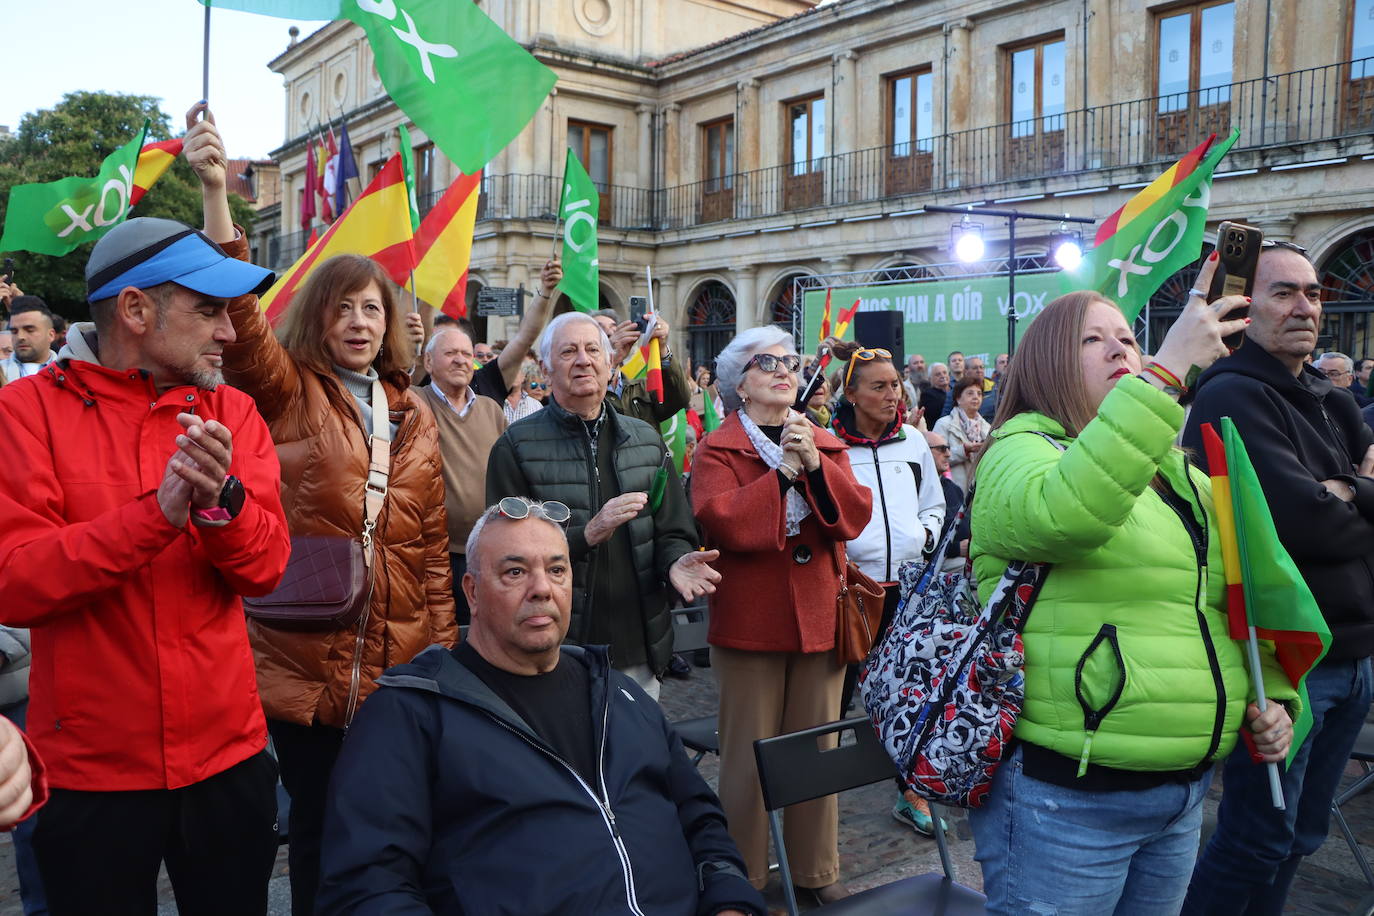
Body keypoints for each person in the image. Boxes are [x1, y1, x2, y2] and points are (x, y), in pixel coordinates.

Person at [191, 103, 455, 915]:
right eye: (343, 308)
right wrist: (214, 198)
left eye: (372, 309)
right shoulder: (288, 390)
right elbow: (240, 324)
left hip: (402, 661)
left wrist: (445, 657)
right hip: (309, 658)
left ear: (390, 324)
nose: (358, 321)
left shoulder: (415, 413)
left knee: (395, 826)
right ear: (319, 318)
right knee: (317, 830)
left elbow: (435, 550)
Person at [966, 270, 1297, 915]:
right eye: (1093, 340)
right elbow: (1064, 514)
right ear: (1050, 364)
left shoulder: (1177, 473)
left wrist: (1274, 695)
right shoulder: (1019, 449)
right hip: (1067, 799)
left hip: (1180, 794)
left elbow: (1224, 602)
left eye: (1128, 337)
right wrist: (1166, 373)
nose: (1122, 349)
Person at [0, 207, 290, 914]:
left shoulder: (236, 413)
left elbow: (266, 569)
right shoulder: (24, 412)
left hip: (229, 760)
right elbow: (15, 583)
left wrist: (223, 506)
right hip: (89, 776)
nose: (228, 330)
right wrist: (153, 518)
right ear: (135, 309)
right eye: (208, 309)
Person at [316, 498, 765, 916]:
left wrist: (730, 902)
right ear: (471, 591)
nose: (541, 589)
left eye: (557, 570)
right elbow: (366, 887)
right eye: (514, 572)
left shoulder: (617, 694)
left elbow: (701, 820)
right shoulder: (409, 715)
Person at [1181, 244, 1374, 914]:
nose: (1305, 308)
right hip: (1286, 660)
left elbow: (1334, 513)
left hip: (1353, 655)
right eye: (1284, 293)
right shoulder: (1231, 393)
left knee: (1302, 837)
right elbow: (1305, 526)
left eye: (1315, 293)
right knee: (1257, 837)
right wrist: (1359, 491)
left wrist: (1347, 493)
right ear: (1244, 304)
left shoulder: (1334, 397)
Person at [691, 326, 872, 904]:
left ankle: (816, 869)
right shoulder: (718, 448)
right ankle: (741, 872)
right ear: (738, 385)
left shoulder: (821, 437)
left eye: (789, 360)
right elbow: (724, 519)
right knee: (748, 754)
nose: (782, 369)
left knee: (816, 749)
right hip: (751, 623)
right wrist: (784, 475)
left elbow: (853, 516)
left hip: (820, 617)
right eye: (764, 362)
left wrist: (814, 464)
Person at [485, 312, 718, 699]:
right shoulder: (516, 446)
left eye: (593, 349)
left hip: (639, 643)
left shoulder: (645, 438)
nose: (583, 360)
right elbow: (505, 550)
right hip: (556, 643)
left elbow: (674, 528)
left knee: (634, 757)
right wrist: (586, 534)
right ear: (545, 367)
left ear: (611, 363)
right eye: (568, 351)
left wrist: (676, 560)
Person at [829, 343, 944, 835]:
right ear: (851, 394)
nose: (892, 394)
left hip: (911, 590)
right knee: (836, 695)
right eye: (878, 386)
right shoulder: (829, 445)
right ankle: (818, 803)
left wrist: (925, 538)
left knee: (910, 694)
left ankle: (910, 791)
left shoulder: (914, 443)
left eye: (895, 384)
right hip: (852, 591)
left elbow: (935, 504)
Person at [420, 325, 509, 626]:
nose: (460, 360)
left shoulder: (491, 409)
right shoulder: (412, 402)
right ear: (428, 362)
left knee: (483, 629)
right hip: (433, 553)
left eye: (466, 354)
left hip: (485, 548)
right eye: (450, 353)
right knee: (439, 633)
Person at [592, 310, 692, 426]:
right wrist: (610, 363)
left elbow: (681, 398)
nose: (609, 332)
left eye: (614, 328)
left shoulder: (641, 387)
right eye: (600, 329)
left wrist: (662, 349)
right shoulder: (582, 387)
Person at [932, 376, 991, 494]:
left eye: (979, 394)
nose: (976, 397)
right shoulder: (944, 424)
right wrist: (964, 450)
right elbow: (935, 459)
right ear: (958, 398)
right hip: (953, 492)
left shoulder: (988, 428)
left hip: (980, 492)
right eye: (970, 393)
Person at [923, 428, 969, 574]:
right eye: (942, 449)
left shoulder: (953, 488)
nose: (948, 454)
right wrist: (955, 548)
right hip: (937, 561)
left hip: (965, 553)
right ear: (924, 451)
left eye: (948, 448)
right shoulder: (915, 489)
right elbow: (917, 543)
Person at [2, 298, 58, 382]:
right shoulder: (2, 372)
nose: (20, 337)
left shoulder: (71, 374)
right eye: (14, 331)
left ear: (51, 335)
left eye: (29, 330)